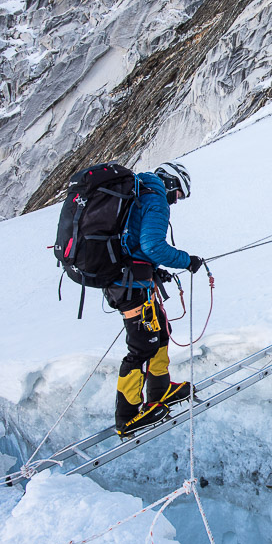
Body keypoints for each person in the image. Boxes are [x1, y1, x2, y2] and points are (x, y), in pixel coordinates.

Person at [104, 161, 205, 436]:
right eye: (179, 194)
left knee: (160, 331)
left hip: (132, 280)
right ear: (171, 182)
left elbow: (136, 243)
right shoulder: (156, 198)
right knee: (141, 346)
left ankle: (160, 391)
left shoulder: (142, 193)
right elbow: (153, 246)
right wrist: (186, 261)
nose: (176, 201)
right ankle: (127, 417)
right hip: (127, 285)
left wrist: (153, 269)